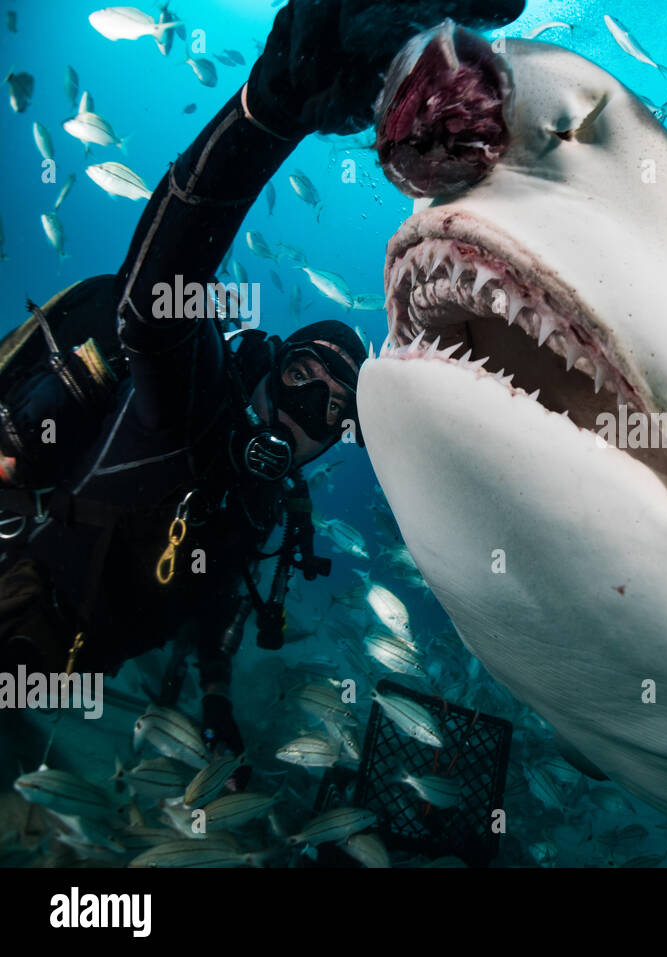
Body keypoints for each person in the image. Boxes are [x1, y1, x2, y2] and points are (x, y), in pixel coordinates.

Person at [0, 0, 525, 772]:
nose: (302, 408)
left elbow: (210, 610)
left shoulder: (260, 511)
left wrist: (216, 701)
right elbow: (153, 302)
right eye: (298, 378)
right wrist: (267, 111)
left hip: (49, 683)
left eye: (329, 405)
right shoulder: (190, 403)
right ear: (266, 367)